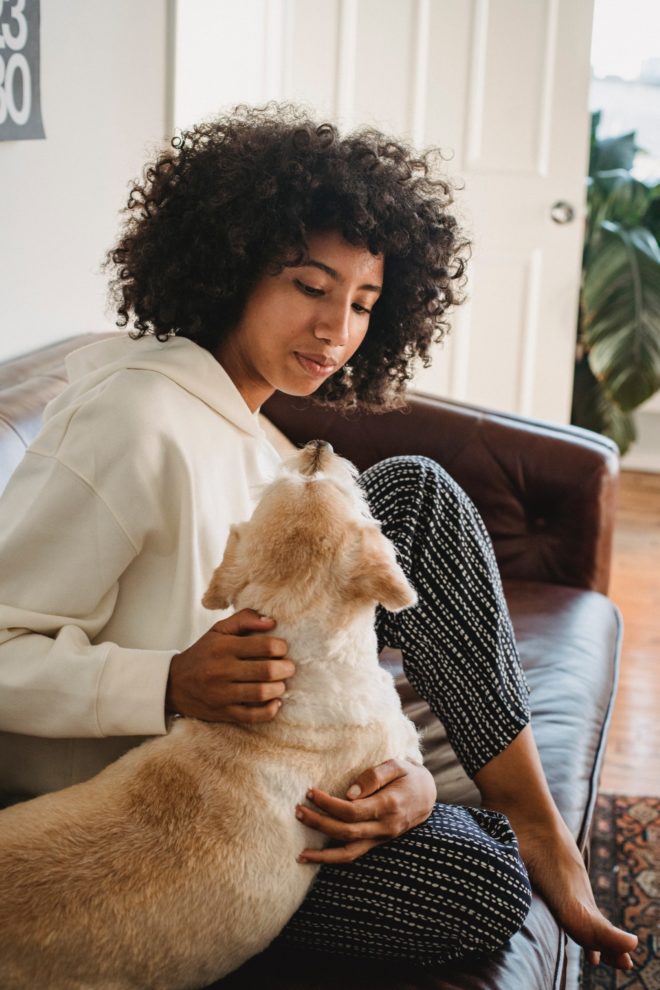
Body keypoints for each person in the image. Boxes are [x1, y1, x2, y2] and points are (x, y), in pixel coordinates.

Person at [0, 104, 636, 972]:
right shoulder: (131, 420)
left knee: (409, 496)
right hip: (149, 830)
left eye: (364, 303)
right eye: (309, 286)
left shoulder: (269, 448)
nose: (336, 330)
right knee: (478, 880)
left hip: (264, 778)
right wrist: (169, 682)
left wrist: (404, 774)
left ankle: (532, 819)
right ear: (231, 267)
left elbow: (339, 661)